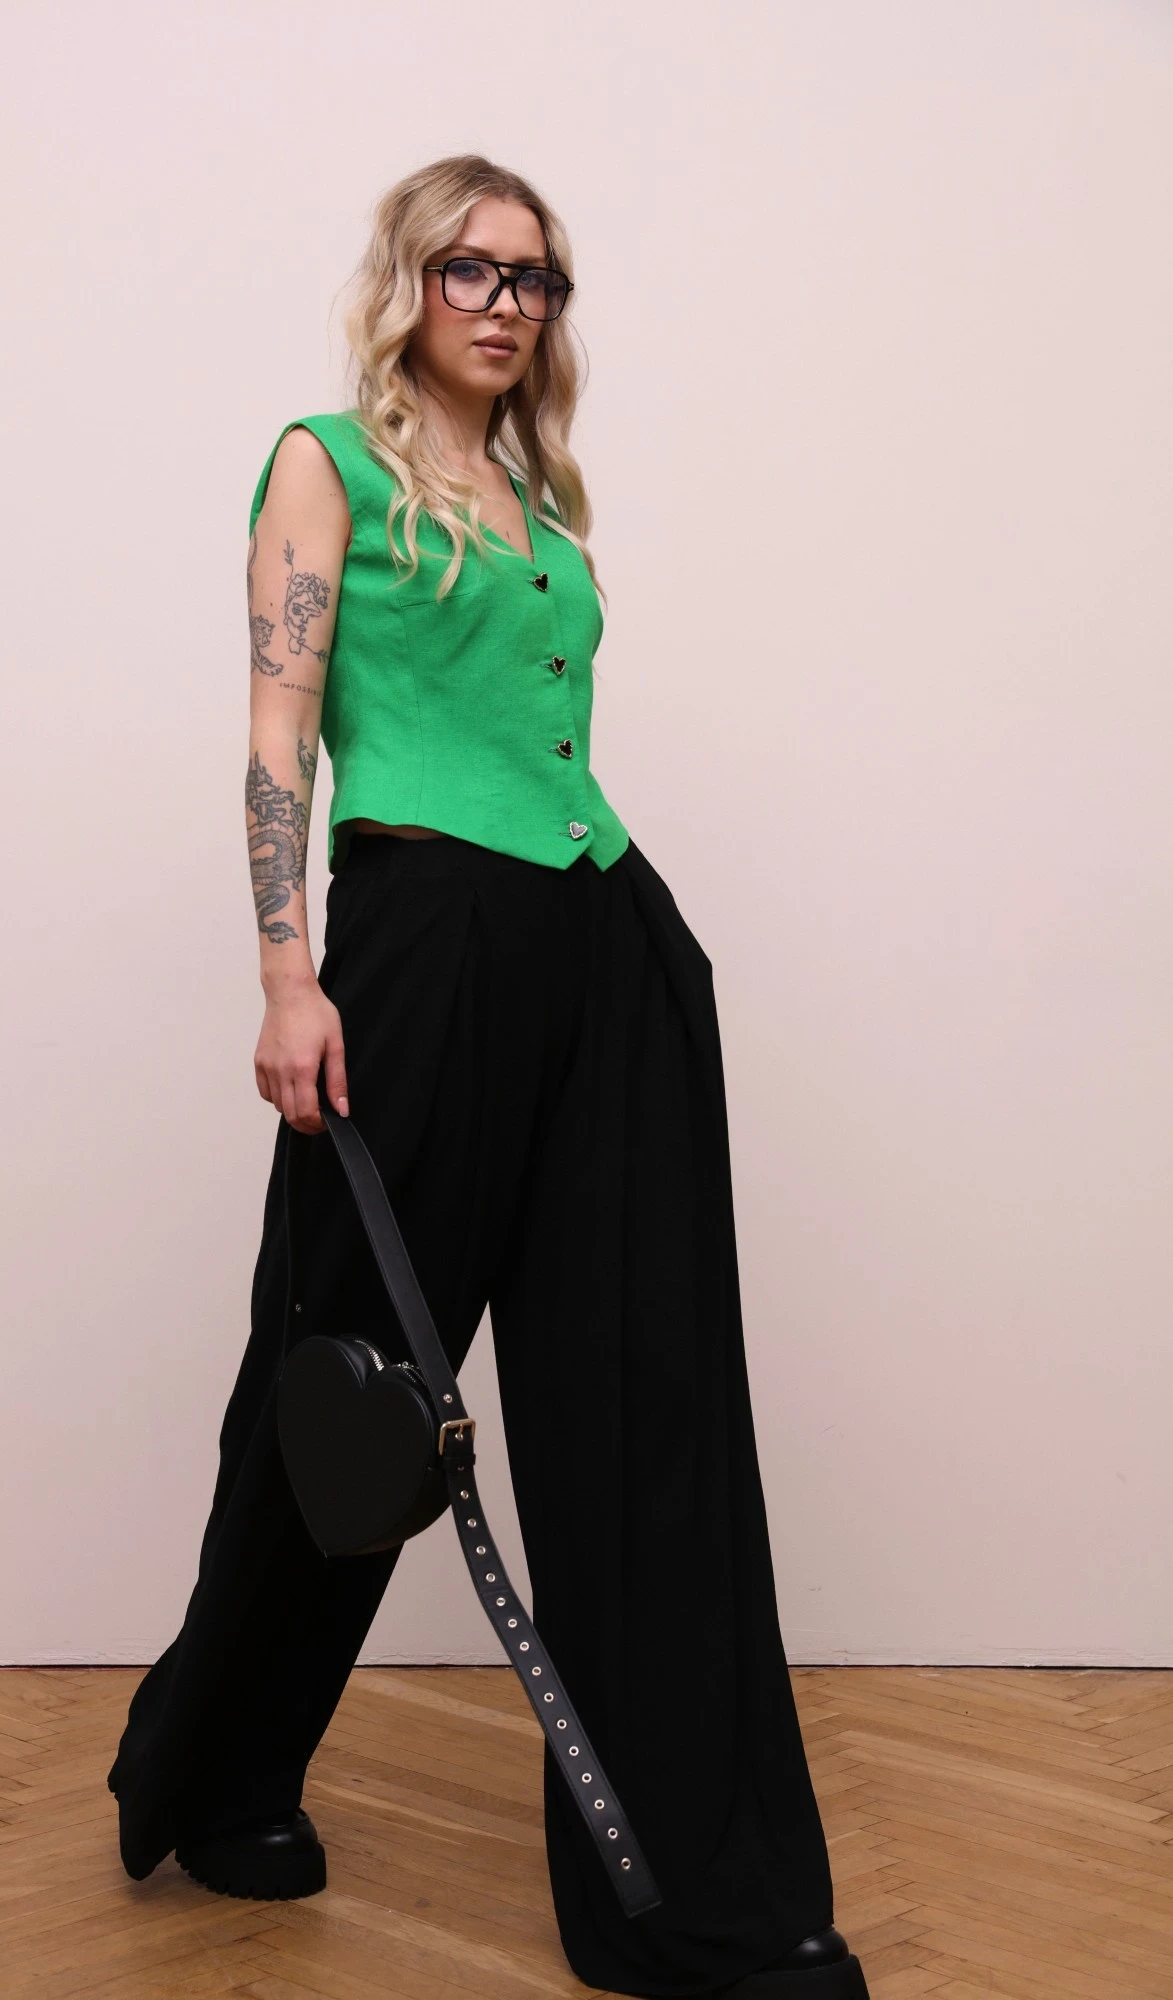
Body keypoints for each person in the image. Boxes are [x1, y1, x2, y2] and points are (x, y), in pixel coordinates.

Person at [107, 153, 869, 2000]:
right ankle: (217, 1768)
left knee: (647, 1401)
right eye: (471, 268)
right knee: (351, 1383)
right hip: (424, 949)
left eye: (537, 277)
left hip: (608, 951)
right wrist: (287, 971)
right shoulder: (325, 464)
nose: (508, 302)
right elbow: (282, 725)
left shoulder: (540, 499)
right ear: (409, 282)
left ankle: (691, 1887)